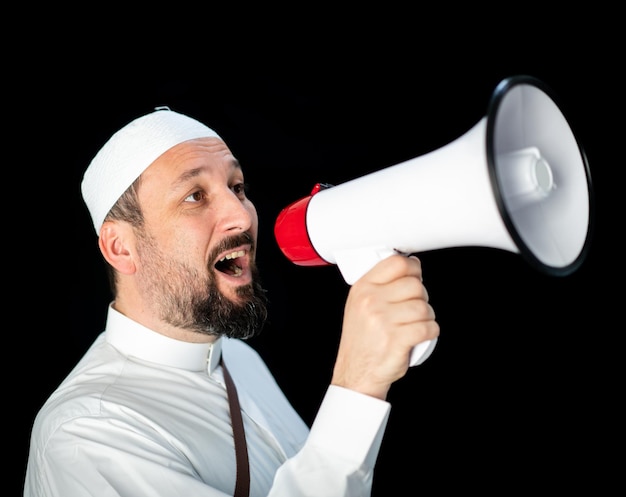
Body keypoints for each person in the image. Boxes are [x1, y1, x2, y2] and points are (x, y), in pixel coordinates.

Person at [24, 107, 439, 496]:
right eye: (194, 196)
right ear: (121, 248)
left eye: (237, 187)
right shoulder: (85, 434)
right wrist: (357, 384)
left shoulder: (239, 359)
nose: (241, 215)